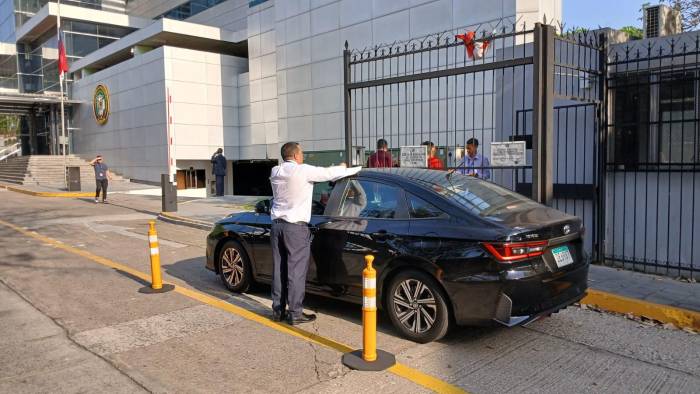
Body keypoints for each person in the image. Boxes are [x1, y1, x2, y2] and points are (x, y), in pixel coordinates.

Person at [270, 142, 361, 325]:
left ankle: (278, 311)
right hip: (295, 228)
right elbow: (328, 173)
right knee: (295, 272)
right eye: (301, 152)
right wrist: (349, 168)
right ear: (296, 156)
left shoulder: (276, 171)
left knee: (279, 270)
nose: (303, 156)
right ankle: (295, 313)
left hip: (277, 227)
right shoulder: (302, 171)